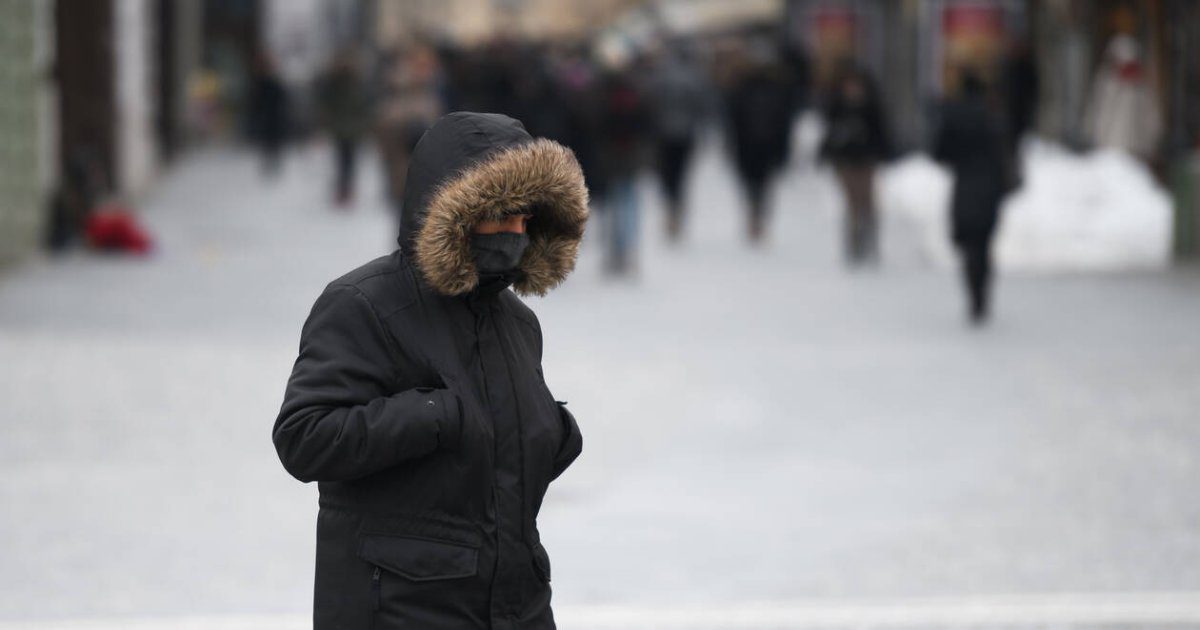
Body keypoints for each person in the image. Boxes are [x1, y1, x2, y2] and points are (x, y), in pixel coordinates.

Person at [273, 112, 588, 629]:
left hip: (515, 604)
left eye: (524, 218)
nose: (514, 232)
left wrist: (553, 433)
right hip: (401, 607)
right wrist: (435, 413)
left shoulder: (516, 321)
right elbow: (304, 437)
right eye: (499, 215)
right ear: (454, 212)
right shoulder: (363, 303)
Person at [933, 71, 1012, 325]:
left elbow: (940, 152)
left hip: (965, 184)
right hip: (989, 186)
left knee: (969, 244)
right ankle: (981, 295)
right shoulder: (993, 116)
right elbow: (1004, 152)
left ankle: (974, 295)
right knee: (984, 244)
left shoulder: (955, 115)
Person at [819, 63, 891, 265]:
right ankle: (854, 243)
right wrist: (827, 152)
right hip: (845, 161)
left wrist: (882, 152)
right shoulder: (838, 107)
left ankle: (869, 239)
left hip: (866, 160)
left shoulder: (872, 107)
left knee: (867, 202)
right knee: (852, 204)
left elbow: (882, 133)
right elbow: (829, 132)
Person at [725, 46, 795, 244]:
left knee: (759, 185)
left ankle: (757, 217)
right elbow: (734, 120)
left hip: (760, 145)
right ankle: (756, 216)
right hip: (753, 145)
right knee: (758, 185)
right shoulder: (748, 90)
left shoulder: (772, 90)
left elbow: (783, 122)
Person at [648, 46, 705, 241]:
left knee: (667, 174)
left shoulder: (660, 77)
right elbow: (701, 107)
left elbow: (651, 105)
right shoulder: (694, 78)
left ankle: (671, 209)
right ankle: (676, 209)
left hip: (663, 135)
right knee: (681, 175)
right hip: (685, 134)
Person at [316, 50, 371, 206]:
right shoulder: (334, 83)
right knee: (342, 161)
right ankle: (343, 190)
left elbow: (363, 106)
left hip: (351, 129)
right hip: (342, 129)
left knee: (349, 161)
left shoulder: (356, 82)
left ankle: (346, 190)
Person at [248, 52, 289, 176]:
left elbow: (281, 100)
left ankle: (273, 165)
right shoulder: (260, 83)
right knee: (267, 144)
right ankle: (269, 165)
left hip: (274, 119)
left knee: (273, 144)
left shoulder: (272, 83)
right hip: (267, 119)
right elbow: (255, 102)